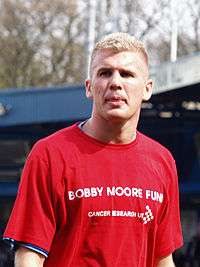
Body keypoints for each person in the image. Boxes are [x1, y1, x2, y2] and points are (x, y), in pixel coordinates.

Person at [3, 32, 183, 267]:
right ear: (89, 87)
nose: (115, 82)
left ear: (147, 89)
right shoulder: (49, 154)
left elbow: (162, 258)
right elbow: (29, 256)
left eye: (127, 74)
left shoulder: (162, 161)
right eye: (105, 73)